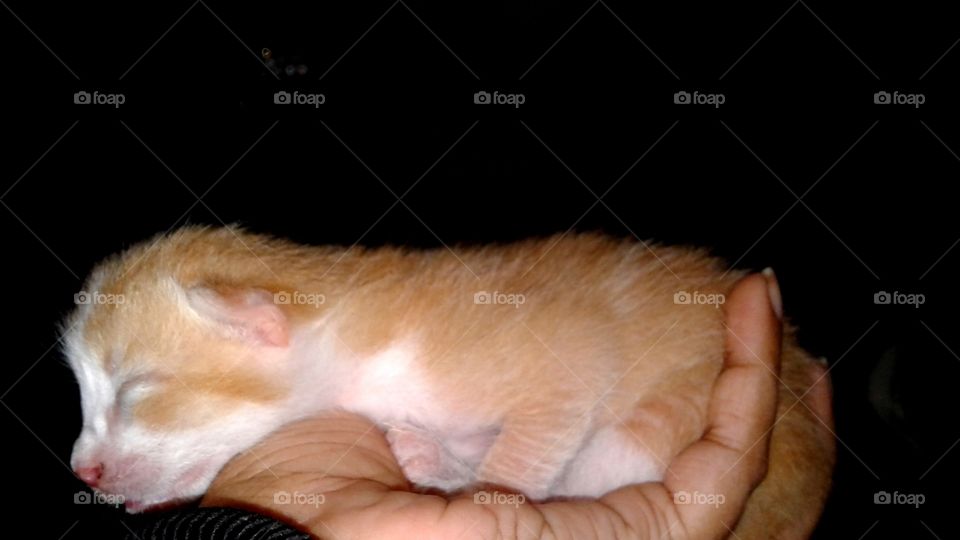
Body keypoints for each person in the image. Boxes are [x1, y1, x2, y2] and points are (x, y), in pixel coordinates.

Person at [128, 272, 834, 539]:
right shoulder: (366, 380)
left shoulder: (418, 339)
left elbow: (571, 371)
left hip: (677, 391)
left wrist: (487, 494)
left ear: (254, 323)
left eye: (141, 395)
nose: (82, 463)